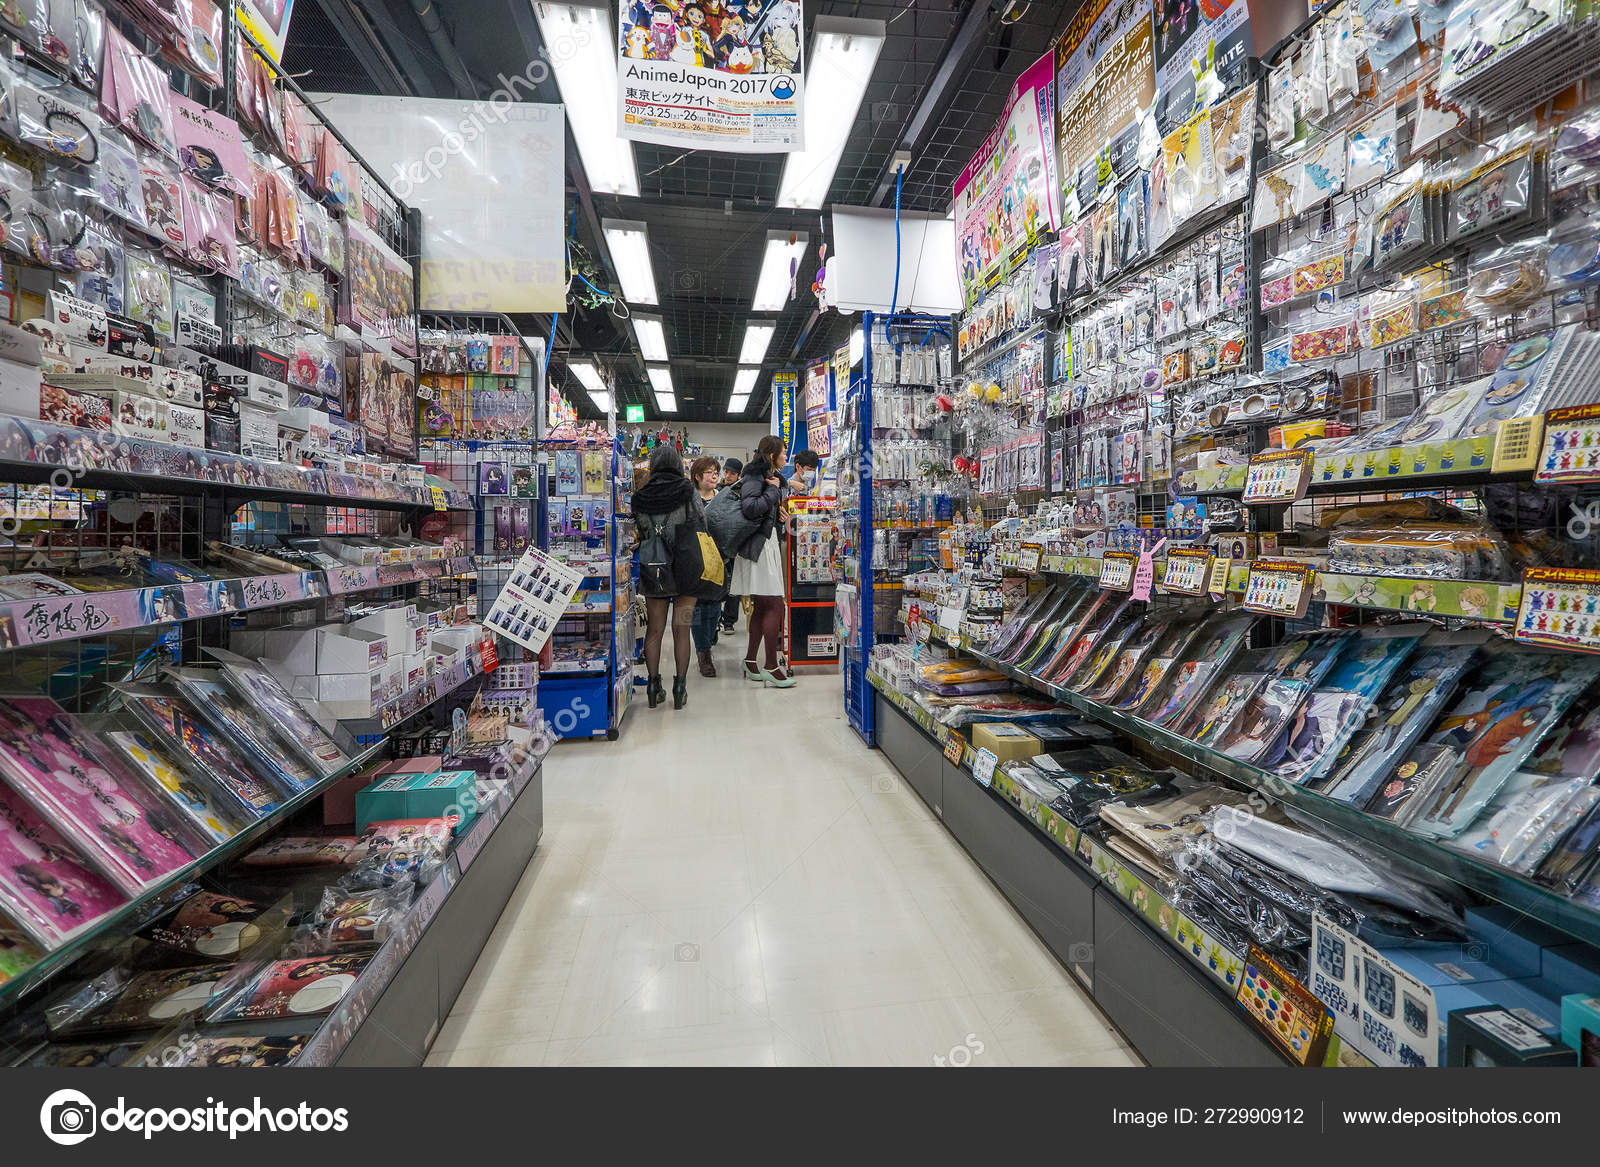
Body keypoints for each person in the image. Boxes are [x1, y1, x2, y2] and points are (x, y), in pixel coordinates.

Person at [631, 445, 703, 710]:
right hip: (686, 569)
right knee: (682, 629)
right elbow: (701, 523)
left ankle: (652, 686)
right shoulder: (687, 492)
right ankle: (680, 687)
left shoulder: (640, 496)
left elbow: (639, 530)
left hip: (654, 569)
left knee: (655, 629)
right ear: (678, 464)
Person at [733, 435, 795, 688]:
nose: (785, 457)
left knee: (761, 606)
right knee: (774, 605)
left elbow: (762, 512)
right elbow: (750, 508)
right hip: (758, 549)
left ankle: (750, 661)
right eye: (782, 453)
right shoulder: (756, 478)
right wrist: (772, 491)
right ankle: (770, 665)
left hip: (763, 544)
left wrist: (778, 518)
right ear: (771, 456)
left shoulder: (768, 479)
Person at [688, 455, 724, 677]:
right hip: (694, 562)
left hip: (719, 561)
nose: (714, 476)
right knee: (698, 609)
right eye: (709, 472)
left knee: (714, 607)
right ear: (697, 476)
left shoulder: (722, 499)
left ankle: (709, 639)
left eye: (715, 472)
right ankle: (703, 654)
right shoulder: (689, 500)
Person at [718, 457, 743, 632]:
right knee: (716, 582)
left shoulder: (742, 492)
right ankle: (715, 619)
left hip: (735, 542)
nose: (727, 476)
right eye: (726, 472)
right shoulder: (717, 490)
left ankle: (729, 621)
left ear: (739, 475)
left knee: (734, 583)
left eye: (732, 473)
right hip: (717, 543)